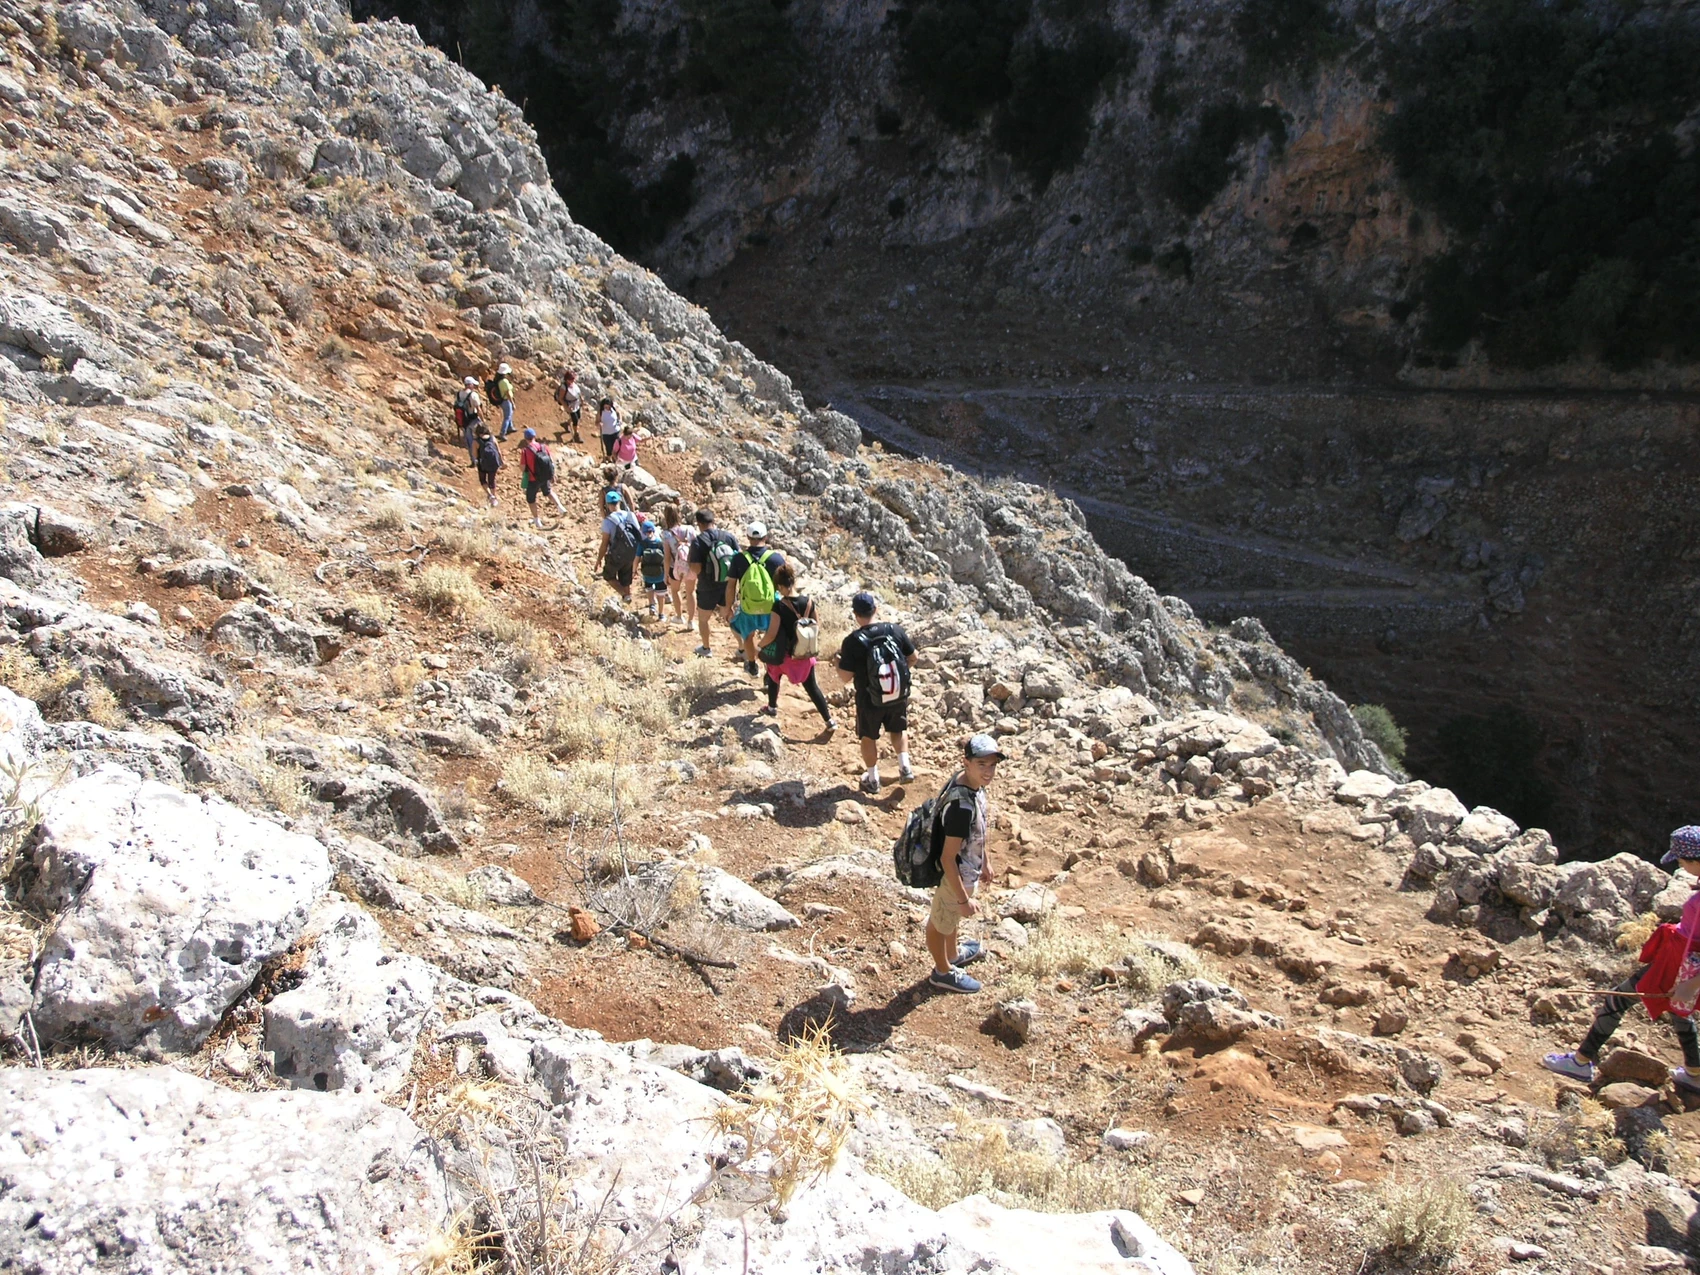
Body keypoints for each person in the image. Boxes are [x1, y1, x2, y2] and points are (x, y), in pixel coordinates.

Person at [1544, 826, 1700, 1091]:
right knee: (1679, 1011)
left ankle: (1580, 1062)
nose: (1681, 866)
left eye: (1682, 861)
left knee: (1617, 999)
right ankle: (1695, 1075)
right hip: (1682, 959)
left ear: (1695, 860)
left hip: (1681, 964)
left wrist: (1691, 984)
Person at [924, 734, 1004, 994]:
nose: (988, 771)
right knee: (938, 924)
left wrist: (985, 861)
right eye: (981, 764)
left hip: (966, 870)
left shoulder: (969, 783)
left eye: (992, 765)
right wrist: (963, 900)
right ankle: (942, 971)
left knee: (949, 918)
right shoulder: (961, 808)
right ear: (966, 762)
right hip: (955, 876)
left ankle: (953, 954)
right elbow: (948, 858)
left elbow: (976, 832)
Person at [834, 590, 915, 795]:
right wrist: (894, 676)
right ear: (875, 609)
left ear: (855, 614)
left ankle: (872, 779)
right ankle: (905, 767)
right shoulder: (894, 630)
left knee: (868, 738)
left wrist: (836, 663)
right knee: (898, 729)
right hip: (896, 694)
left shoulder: (852, 641)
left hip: (869, 699)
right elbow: (913, 657)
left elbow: (845, 677)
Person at [757, 561, 834, 732]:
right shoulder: (809, 602)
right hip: (805, 655)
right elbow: (817, 627)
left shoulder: (779, 606)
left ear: (779, 586)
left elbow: (771, 634)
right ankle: (829, 720)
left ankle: (771, 707)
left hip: (785, 656)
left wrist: (759, 646)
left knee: (774, 675)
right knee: (812, 687)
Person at [725, 522, 784, 677]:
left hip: (748, 606)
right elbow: (784, 586)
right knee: (771, 637)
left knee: (748, 635)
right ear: (766, 537)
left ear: (748, 537)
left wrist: (728, 607)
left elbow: (731, 586)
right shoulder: (776, 559)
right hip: (771, 607)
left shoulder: (739, 559)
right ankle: (769, 672)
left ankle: (752, 665)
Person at [685, 508, 739, 658]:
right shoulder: (728, 536)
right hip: (728, 585)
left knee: (703, 619)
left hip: (707, 587)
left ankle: (706, 648)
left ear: (699, 523)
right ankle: (742, 648)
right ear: (713, 521)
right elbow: (738, 558)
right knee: (729, 615)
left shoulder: (698, 541)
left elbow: (696, 568)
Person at [594, 491, 641, 602]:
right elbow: (638, 533)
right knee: (626, 579)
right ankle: (628, 601)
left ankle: (624, 595)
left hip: (617, 555)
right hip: (632, 552)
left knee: (608, 575)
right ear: (620, 502)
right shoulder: (630, 515)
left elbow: (604, 544)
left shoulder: (607, 521)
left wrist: (599, 560)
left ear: (607, 504)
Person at [518, 428, 564, 527]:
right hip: (545, 476)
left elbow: (523, 467)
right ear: (534, 436)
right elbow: (551, 462)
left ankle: (537, 521)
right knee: (548, 492)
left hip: (532, 479)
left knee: (531, 500)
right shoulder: (544, 447)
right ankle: (560, 507)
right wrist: (552, 474)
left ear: (525, 439)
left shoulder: (525, 451)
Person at [660, 504, 695, 629]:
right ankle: (691, 621)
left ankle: (679, 617)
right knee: (690, 592)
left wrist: (665, 574)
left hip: (674, 567)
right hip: (690, 565)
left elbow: (667, 557)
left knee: (675, 590)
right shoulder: (690, 529)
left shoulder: (666, 534)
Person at [638, 518, 669, 619]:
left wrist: (634, 570)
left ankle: (652, 605)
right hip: (660, 573)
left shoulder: (642, 544)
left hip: (647, 572)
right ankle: (661, 614)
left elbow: (637, 558)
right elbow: (666, 558)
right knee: (661, 594)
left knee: (649, 588)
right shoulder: (661, 543)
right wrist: (667, 573)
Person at [455, 376, 483, 467]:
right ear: (470, 385)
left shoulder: (459, 394)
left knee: (470, 442)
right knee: (481, 439)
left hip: (464, 422)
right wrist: (482, 421)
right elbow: (478, 409)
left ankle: (473, 461)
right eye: (473, 385)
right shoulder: (473, 395)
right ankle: (482, 459)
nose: (474, 386)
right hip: (474, 419)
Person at [474, 424, 502, 507]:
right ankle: (494, 498)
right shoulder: (492, 438)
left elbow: (475, 455)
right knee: (492, 480)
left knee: (483, 480)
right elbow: (498, 451)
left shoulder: (476, 441)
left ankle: (490, 495)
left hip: (482, 464)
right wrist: (501, 462)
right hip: (494, 463)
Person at [554, 368, 583, 442]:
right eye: (571, 379)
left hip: (576, 403)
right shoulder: (564, 387)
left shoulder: (573, 384)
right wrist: (566, 407)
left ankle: (566, 424)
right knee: (575, 420)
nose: (573, 381)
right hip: (570, 405)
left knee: (578, 417)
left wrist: (581, 399)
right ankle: (576, 435)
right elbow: (561, 398)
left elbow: (578, 392)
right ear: (567, 379)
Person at [491, 362, 516, 438]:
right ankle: (502, 433)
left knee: (509, 414)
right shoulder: (504, 381)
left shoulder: (498, 380)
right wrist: (512, 403)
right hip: (506, 401)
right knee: (507, 417)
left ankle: (510, 427)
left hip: (502, 401)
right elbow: (508, 393)